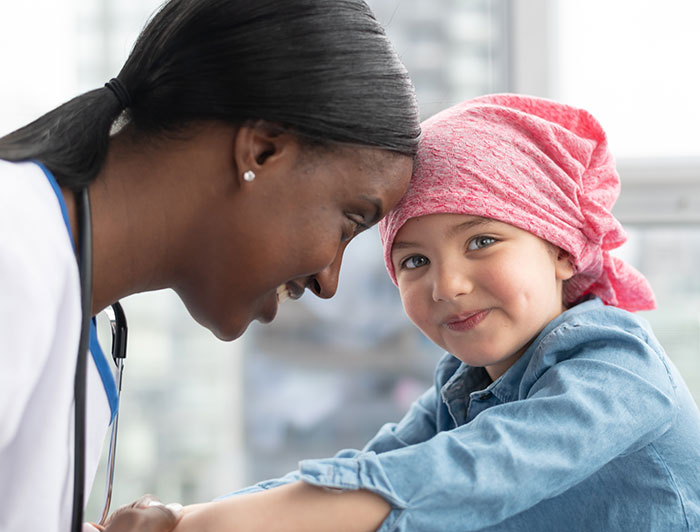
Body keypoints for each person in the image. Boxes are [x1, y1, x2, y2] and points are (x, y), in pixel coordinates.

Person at [169, 94, 700, 531]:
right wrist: (180, 518)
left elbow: (464, 473)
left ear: (562, 249)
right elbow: (370, 470)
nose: (448, 285)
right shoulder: (463, 386)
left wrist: (199, 527)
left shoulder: (620, 372)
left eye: (482, 241)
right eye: (415, 260)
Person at [0, 0, 421, 530]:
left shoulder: (59, 288)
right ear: (263, 152)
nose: (328, 281)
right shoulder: (12, 256)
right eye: (349, 222)